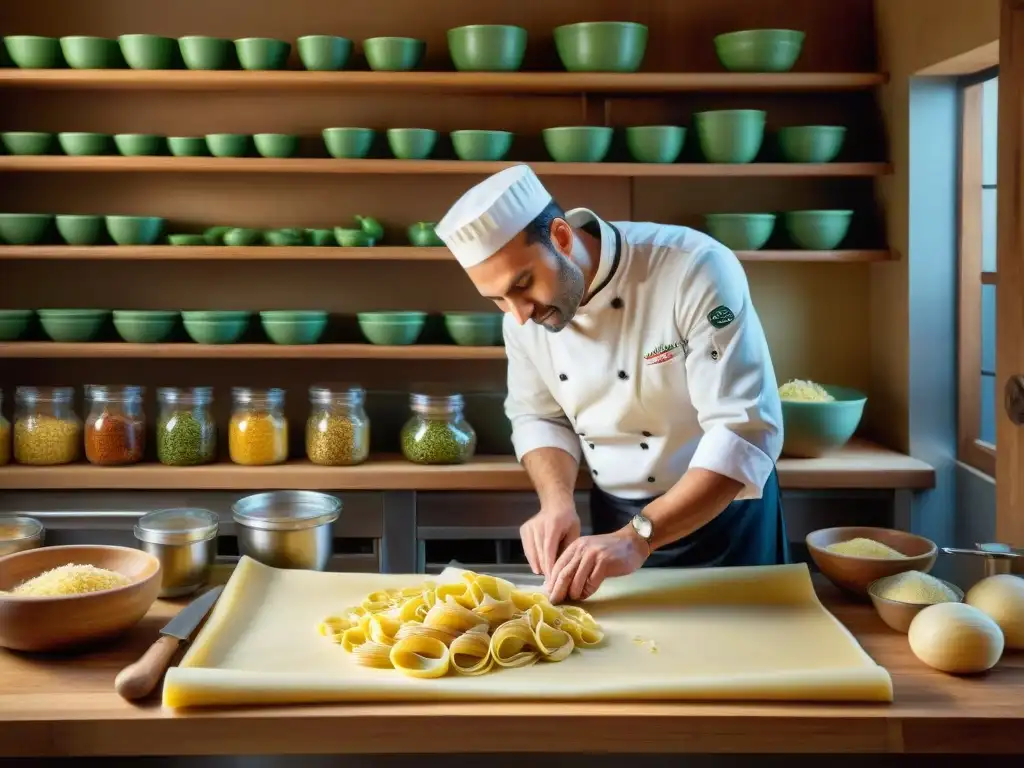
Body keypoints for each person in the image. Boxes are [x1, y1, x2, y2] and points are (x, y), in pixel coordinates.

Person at [435, 165, 788, 604]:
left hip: (721, 517)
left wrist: (638, 536)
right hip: (613, 521)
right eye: (498, 300)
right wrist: (557, 502)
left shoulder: (691, 268)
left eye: (522, 285)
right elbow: (538, 415)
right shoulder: (522, 317)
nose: (518, 314)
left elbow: (744, 431)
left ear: (561, 238)